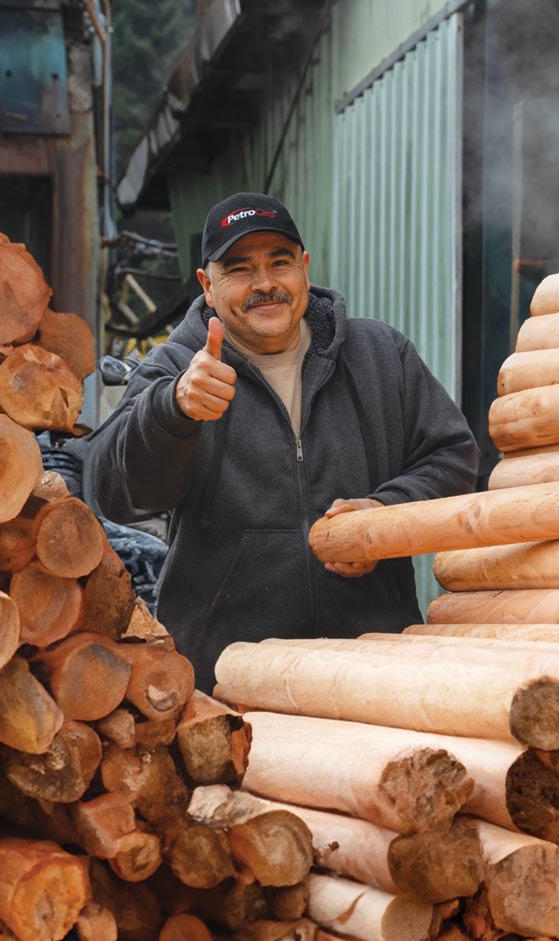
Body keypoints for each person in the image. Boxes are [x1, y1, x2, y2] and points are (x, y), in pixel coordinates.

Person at [87, 192, 479, 689]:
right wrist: (173, 409)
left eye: (280, 262)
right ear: (208, 286)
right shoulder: (177, 367)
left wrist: (384, 515)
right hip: (226, 679)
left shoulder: (380, 355)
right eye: (240, 269)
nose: (265, 284)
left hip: (371, 669)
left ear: (304, 269)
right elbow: (113, 492)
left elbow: (452, 456)